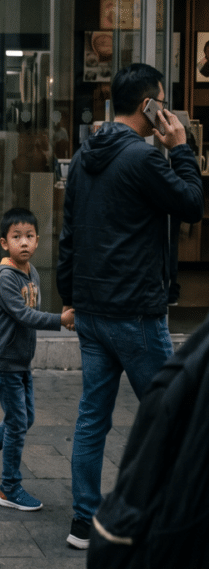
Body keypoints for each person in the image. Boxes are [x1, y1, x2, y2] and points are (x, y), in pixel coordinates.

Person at [57, 62, 203, 550]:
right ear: (149, 105)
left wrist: (70, 293)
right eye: (163, 99)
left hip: (93, 309)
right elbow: (191, 205)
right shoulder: (144, 159)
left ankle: (84, 519)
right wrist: (181, 148)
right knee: (172, 415)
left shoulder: (83, 157)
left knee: (92, 416)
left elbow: (68, 234)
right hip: (136, 312)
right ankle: (172, 516)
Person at [0, 208, 74, 512]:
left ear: (38, 241)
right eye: (16, 237)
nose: (23, 242)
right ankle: (9, 487)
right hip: (4, 359)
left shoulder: (31, 272)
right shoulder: (5, 277)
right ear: (4, 243)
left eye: (29, 236)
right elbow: (24, 315)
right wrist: (59, 321)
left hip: (21, 360)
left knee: (25, 418)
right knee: (17, 422)